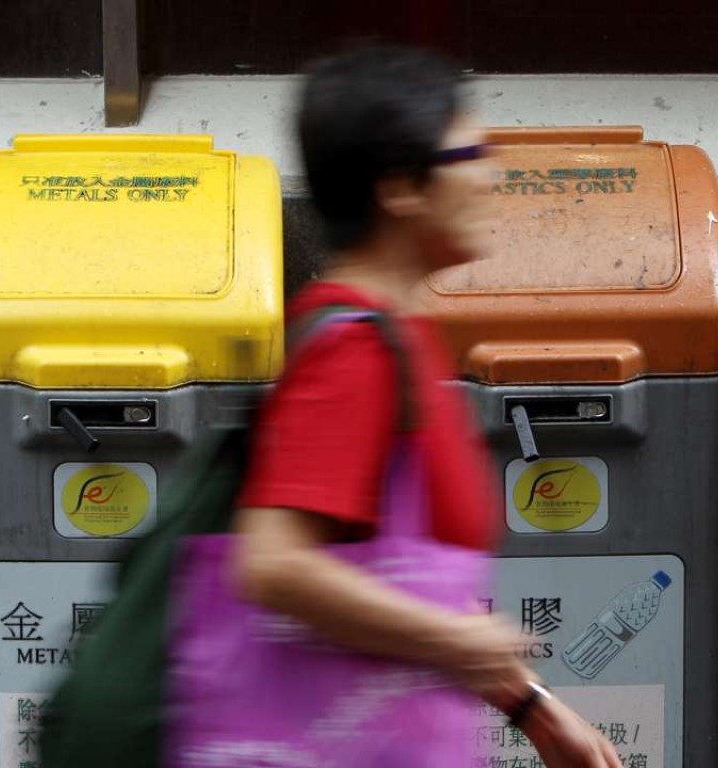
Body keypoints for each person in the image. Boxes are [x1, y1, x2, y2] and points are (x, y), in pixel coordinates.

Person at [232, 45, 621, 767]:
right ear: (401, 188)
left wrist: (533, 707)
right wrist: (458, 641)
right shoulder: (356, 348)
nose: (490, 173)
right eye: (468, 151)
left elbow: (399, 572)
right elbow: (274, 565)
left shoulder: (400, 340)